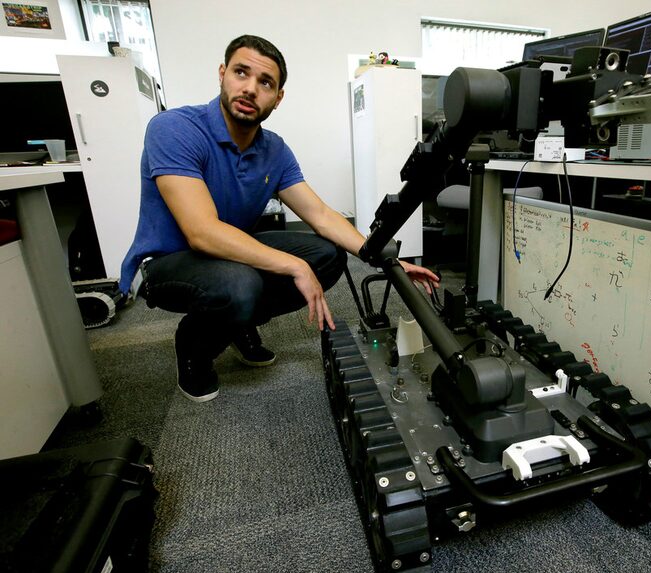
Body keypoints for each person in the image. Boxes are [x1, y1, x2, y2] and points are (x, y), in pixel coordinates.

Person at [119, 34, 438, 403]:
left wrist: (386, 258)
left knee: (326, 256)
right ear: (222, 74)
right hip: (171, 262)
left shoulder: (274, 148)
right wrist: (292, 267)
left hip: (230, 252)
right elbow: (202, 233)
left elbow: (319, 214)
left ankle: (237, 322)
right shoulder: (174, 128)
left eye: (265, 82)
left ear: (278, 97)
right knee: (242, 286)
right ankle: (194, 345)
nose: (251, 89)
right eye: (241, 73)